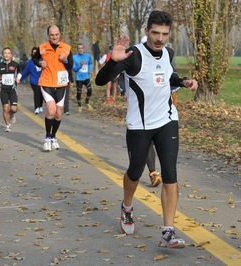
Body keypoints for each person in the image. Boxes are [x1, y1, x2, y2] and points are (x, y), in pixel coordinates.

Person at [95, 10, 198, 248]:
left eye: (164, 34)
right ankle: (127, 207)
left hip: (167, 120)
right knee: (135, 171)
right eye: (155, 33)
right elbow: (101, 81)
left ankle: (168, 231)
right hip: (140, 126)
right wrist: (115, 60)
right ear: (146, 31)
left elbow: (167, 76)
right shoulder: (133, 55)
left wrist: (183, 81)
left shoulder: (167, 53)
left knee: (170, 173)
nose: (160, 38)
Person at [32, 25, 73, 151]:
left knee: (58, 114)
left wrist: (65, 60)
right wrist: (39, 62)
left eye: (56, 34)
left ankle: (54, 137)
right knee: (51, 111)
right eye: (52, 35)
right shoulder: (42, 47)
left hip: (61, 84)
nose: (54, 37)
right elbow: (34, 58)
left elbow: (70, 65)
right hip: (46, 82)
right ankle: (47, 138)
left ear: (60, 34)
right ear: (48, 35)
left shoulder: (66, 48)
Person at [0, 47, 22, 132]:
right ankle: (8, 125)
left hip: (13, 89)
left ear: (11, 55)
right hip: (3, 89)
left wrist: (18, 78)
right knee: (5, 108)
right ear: (2, 55)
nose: (6, 55)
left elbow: (20, 73)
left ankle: (12, 114)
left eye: (8, 53)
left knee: (13, 109)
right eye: (5, 53)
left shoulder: (15, 65)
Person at [20, 47, 44, 114]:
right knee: (37, 93)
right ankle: (36, 108)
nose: (34, 54)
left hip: (42, 81)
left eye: (36, 52)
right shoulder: (30, 63)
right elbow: (25, 72)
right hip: (34, 81)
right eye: (33, 52)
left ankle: (40, 106)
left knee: (41, 93)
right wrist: (19, 79)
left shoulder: (43, 61)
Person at [72, 43, 94, 112]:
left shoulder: (87, 56)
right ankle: (79, 105)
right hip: (79, 78)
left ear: (83, 49)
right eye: (79, 48)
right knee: (79, 92)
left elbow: (90, 63)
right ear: (77, 49)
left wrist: (90, 70)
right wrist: (80, 66)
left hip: (86, 77)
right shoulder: (74, 57)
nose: (80, 49)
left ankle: (87, 102)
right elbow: (74, 69)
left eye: (81, 48)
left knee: (90, 90)